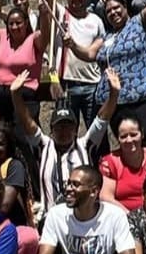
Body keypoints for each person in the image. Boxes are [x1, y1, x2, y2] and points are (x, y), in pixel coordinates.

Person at [65, 0, 146, 142]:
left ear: (125, 7)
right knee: (125, 143)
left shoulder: (141, 21)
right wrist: (73, 45)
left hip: (142, 97)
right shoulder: (107, 36)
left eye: (116, 8)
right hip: (113, 101)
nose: (113, 13)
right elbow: (90, 54)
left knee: (140, 140)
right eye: (109, 11)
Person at [10, 68, 118, 219]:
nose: (64, 131)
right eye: (59, 127)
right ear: (51, 130)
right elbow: (27, 122)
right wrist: (16, 96)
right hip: (51, 219)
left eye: (68, 127)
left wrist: (114, 94)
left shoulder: (85, 145)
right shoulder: (44, 146)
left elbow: (102, 119)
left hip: (82, 218)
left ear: (75, 129)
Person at [0, 0, 51, 127]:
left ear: (26, 23)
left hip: (24, 97)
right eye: (11, 23)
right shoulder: (3, 36)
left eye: (18, 23)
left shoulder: (34, 39)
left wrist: (44, 14)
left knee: (23, 135)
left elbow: (45, 34)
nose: (14, 26)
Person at [57, 0, 106, 129]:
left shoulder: (96, 20)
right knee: (66, 134)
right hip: (67, 86)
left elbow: (94, 53)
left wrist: (73, 45)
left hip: (93, 85)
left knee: (97, 134)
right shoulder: (60, 15)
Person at [99, 114, 146, 212]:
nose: (129, 140)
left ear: (142, 134)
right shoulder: (109, 162)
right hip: (124, 219)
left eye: (133, 134)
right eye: (123, 136)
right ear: (118, 139)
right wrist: (132, 219)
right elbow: (105, 197)